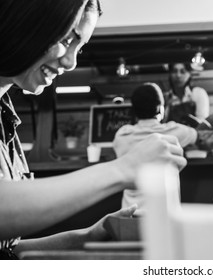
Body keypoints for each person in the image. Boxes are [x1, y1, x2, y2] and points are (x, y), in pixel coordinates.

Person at [0, 0, 186, 259]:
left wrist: (89, 236)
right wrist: (123, 168)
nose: (71, 61)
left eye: (80, 46)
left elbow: (7, 250)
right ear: (27, 21)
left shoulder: (5, 116)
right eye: (67, 39)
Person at [113, 82, 197, 208]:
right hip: (165, 214)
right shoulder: (175, 132)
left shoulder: (122, 136)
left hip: (130, 213)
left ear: (134, 111)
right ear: (160, 108)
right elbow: (200, 135)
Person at [164, 63, 210, 127]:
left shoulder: (198, 93)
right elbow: (163, 123)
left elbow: (202, 122)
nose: (178, 75)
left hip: (193, 135)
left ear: (189, 74)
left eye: (182, 72)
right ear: (170, 74)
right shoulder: (166, 97)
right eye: (174, 71)